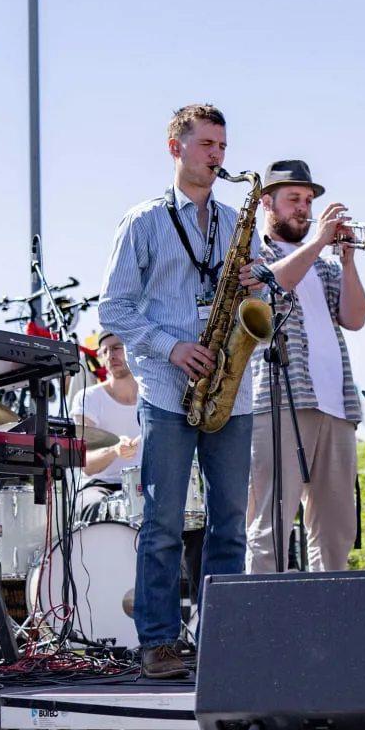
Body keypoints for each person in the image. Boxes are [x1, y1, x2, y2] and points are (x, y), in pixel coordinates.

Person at [99, 104, 262, 680]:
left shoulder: (236, 221)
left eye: (222, 145)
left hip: (231, 391)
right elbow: (112, 307)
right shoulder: (143, 221)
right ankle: (160, 642)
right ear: (176, 148)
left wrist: (256, 282)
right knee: (163, 523)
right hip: (169, 389)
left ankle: (225, 638)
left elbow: (263, 302)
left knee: (230, 524)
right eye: (206, 145)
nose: (218, 155)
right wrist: (171, 347)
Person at [245, 160, 365, 574]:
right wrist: (317, 242)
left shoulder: (324, 264)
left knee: (336, 531)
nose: (303, 208)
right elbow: (268, 286)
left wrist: (348, 260)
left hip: (337, 405)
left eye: (308, 201)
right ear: (267, 203)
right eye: (293, 199)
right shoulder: (252, 253)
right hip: (279, 402)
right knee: (271, 526)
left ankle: (328, 627)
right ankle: (263, 625)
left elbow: (354, 318)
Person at [69, 330, 142, 521]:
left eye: (117, 348)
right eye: (105, 351)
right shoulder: (88, 398)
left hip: (147, 485)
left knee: (194, 517)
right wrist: (114, 450)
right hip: (100, 485)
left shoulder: (151, 397)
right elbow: (85, 464)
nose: (111, 355)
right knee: (95, 506)